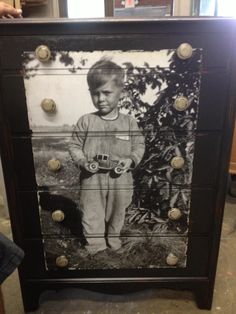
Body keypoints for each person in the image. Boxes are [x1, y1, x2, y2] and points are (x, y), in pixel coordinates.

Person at [70, 58, 145, 254]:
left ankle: (113, 240)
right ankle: (96, 246)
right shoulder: (86, 121)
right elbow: (75, 146)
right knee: (92, 210)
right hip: (92, 178)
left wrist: (130, 160)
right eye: (95, 93)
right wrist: (83, 161)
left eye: (106, 92)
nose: (101, 98)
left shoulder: (129, 122)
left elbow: (139, 145)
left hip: (121, 178)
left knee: (117, 210)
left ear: (122, 92)